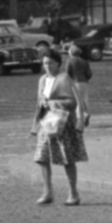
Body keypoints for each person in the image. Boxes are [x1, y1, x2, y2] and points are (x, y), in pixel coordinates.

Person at [32, 50, 86, 205]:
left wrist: (53, 103)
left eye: (51, 63)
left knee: (66, 158)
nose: (48, 66)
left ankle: (73, 193)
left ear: (58, 64)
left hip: (63, 124)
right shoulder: (42, 79)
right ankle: (47, 192)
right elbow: (39, 101)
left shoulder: (64, 79)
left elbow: (73, 102)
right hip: (46, 123)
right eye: (45, 63)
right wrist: (36, 123)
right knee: (41, 157)